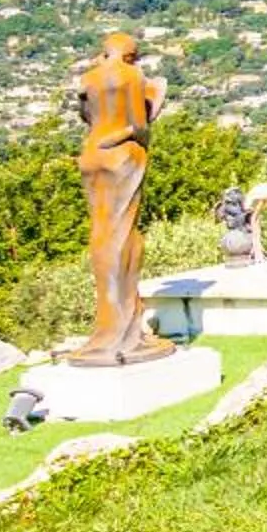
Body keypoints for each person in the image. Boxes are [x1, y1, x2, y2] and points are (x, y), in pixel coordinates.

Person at [65, 31, 177, 366]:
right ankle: (124, 332)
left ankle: (107, 326)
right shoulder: (132, 75)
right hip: (121, 155)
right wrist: (155, 98)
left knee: (101, 231)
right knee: (125, 234)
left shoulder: (88, 78)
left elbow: (87, 116)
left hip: (91, 154)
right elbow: (139, 126)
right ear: (131, 55)